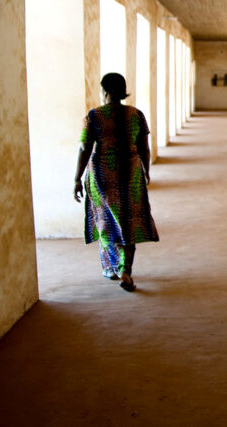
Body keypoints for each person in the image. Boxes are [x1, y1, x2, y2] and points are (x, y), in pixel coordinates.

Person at [73, 73, 159, 292]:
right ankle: (125, 269)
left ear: (105, 92)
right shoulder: (136, 115)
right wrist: (146, 171)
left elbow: (84, 148)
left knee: (106, 220)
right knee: (127, 220)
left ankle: (111, 267)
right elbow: (144, 148)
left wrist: (76, 178)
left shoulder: (94, 116)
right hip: (130, 173)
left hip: (101, 175)